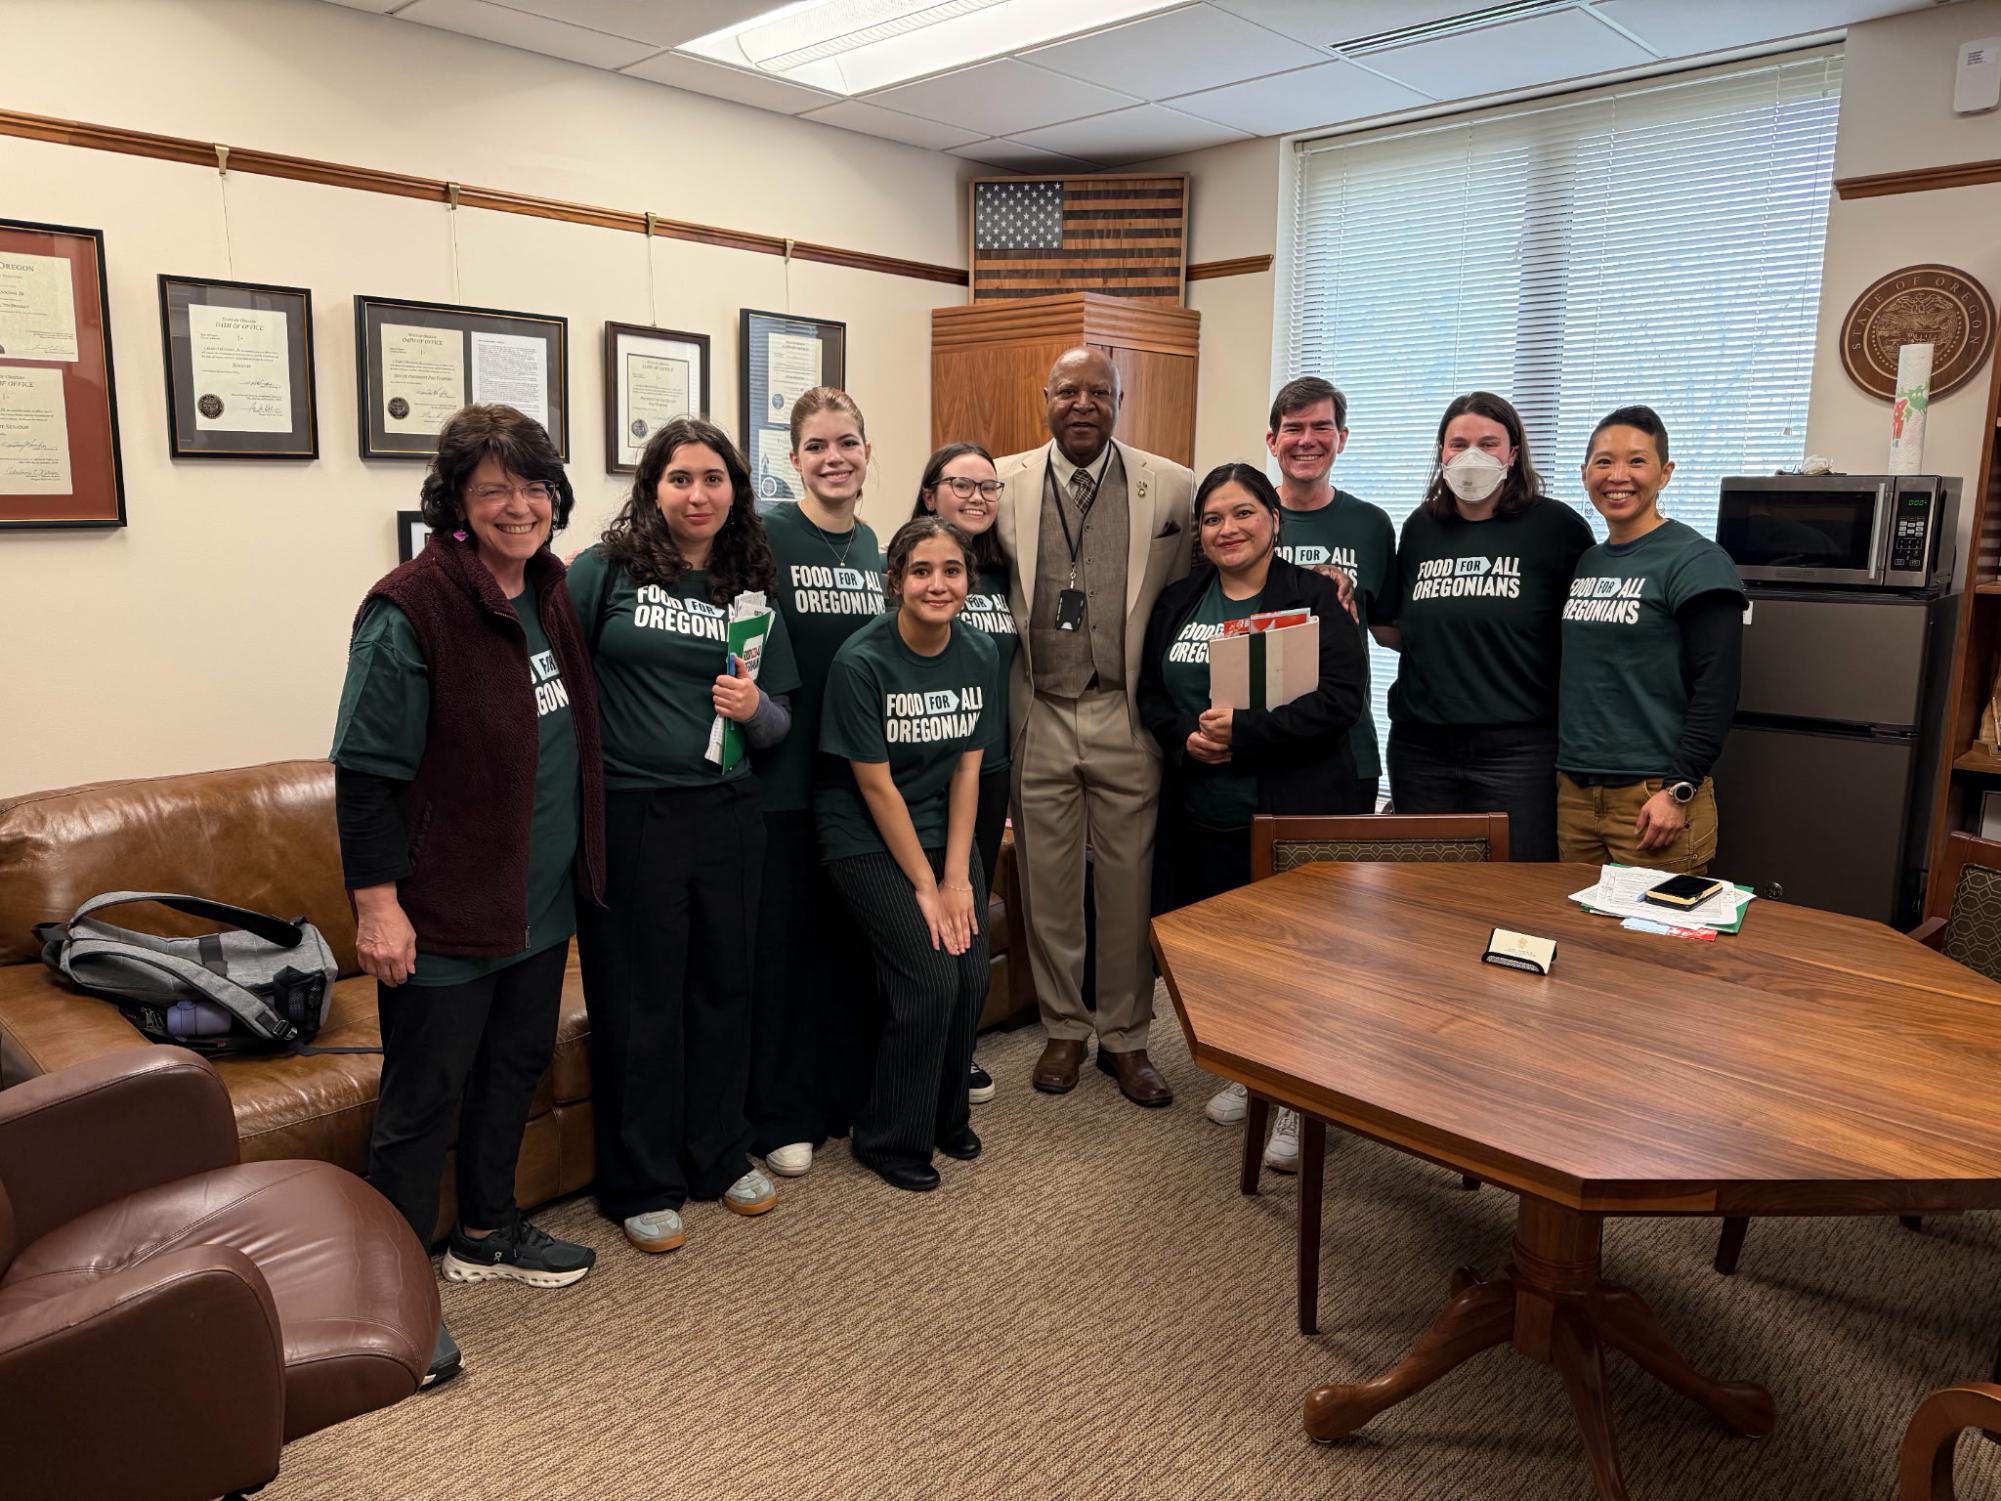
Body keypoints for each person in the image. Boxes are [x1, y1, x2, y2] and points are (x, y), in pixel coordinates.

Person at [330, 403, 602, 1385]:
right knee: (421, 1103)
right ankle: (390, 1303)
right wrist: (377, 903)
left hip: (534, 905)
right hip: (443, 911)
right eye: (494, 489)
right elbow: (365, 771)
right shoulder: (410, 606)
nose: (519, 506)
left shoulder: (547, 591)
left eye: (535, 487)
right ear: (455, 501)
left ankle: (488, 1229)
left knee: (509, 1071)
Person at [568, 418, 802, 1255]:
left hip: (730, 811)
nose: (696, 494)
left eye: (712, 478)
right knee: (640, 998)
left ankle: (717, 1152)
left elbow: (780, 717)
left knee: (723, 985)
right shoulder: (605, 573)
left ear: (735, 489)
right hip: (634, 814)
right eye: (679, 478)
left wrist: (756, 711)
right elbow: (560, 691)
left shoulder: (751, 580)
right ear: (652, 487)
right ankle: (640, 1179)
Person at [1138, 463, 1368, 1165]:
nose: (1226, 528)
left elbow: (1339, 700)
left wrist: (1245, 732)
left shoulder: (1314, 596)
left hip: (1291, 810)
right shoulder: (1180, 599)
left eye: (1242, 513)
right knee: (1232, 961)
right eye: (1211, 518)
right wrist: (1185, 738)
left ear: (1274, 518)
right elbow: (1151, 695)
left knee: (1299, 962)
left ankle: (1301, 1101)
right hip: (1203, 811)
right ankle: (1250, 1072)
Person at [994, 346, 1195, 1106]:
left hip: (1124, 707)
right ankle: (1063, 1027)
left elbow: (1193, 599)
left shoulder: (1169, 484)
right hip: (1039, 705)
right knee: (1045, 884)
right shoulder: (1001, 480)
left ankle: (1127, 1037)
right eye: (1067, 391)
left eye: (1098, 392)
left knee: (1126, 882)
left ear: (1120, 400)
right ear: (1043, 397)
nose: (1082, 404)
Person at [818, 516, 997, 1192]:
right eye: (920, 570)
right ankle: (889, 1136)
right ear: (894, 581)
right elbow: (873, 783)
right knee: (930, 977)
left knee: (971, 973)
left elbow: (967, 772)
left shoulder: (980, 652)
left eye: (950, 570)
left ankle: (944, 1114)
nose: (936, 583)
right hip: (863, 833)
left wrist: (958, 875)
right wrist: (928, 886)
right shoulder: (860, 661)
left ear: (967, 582)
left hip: (940, 828)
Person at [748, 387, 886, 1178]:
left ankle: (839, 1094)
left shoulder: (874, 544)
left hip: (858, 783)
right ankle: (781, 1111)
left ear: (868, 451)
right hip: (781, 783)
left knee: (846, 949)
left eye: (847, 442)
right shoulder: (768, 536)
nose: (833, 458)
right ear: (792, 457)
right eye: (816, 445)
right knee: (783, 956)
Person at [1378, 392, 1593, 861]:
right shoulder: (1421, 527)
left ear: (1513, 454)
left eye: (1489, 443)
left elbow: (1589, 636)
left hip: (1519, 750)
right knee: (1430, 889)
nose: (1472, 456)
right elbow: (1398, 628)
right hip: (1421, 747)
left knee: (1516, 890)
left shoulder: (1556, 527)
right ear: (1441, 453)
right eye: (1458, 443)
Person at [1558, 405, 1745, 871]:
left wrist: (1678, 789)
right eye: (1603, 462)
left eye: (1637, 461)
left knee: (1654, 941)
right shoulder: (1589, 562)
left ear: (1665, 473)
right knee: (1581, 935)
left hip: (1653, 799)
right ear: (1584, 474)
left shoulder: (1695, 560)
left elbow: (1717, 687)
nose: (1618, 475)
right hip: (1577, 796)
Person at [913, 442, 1013, 1105]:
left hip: (991, 766)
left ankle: (957, 1051)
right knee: (925, 921)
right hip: (924, 770)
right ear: (928, 495)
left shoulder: (1003, 575)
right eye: (960, 485)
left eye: (988, 487)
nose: (977, 497)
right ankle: (916, 1057)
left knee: (969, 918)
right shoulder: (912, 566)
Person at [1265, 377, 1398, 807]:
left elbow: (1387, 630)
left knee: (1340, 875)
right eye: (1293, 428)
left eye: (1321, 427)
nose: (1307, 440)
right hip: (1262, 738)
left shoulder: (1371, 525)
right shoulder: (1245, 520)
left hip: (1347, 744)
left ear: (1341, 438)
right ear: (1272, 440)